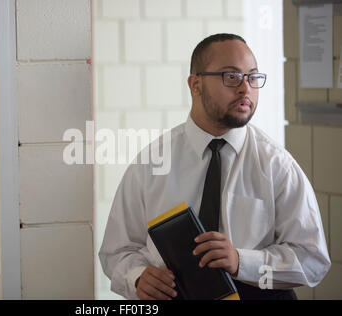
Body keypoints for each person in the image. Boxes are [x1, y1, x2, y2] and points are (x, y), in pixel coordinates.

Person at [98, 33, 331, 300]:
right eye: (231, 76)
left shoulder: (277, 165)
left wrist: (241, 262)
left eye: (253, 77)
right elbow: (116, 252)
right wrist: (137, 277)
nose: (245, 89)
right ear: (195, 84)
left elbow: (312, 261)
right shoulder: (151, 163)